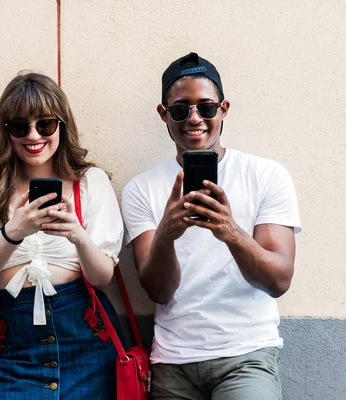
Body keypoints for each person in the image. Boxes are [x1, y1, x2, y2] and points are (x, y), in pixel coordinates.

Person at [122, 52, 301, 399]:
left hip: (246, 356)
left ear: (224, 109)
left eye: (206, 107)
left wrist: (230, 232)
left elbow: (279, 280)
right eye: (180, 109)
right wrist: (166, 236)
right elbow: (159, 291)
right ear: (164, 114)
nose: (194, 119)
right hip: (173, 362)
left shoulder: (266, 176)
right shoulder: (140, 189)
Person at [0, 72, 124, 399]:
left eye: (45, 124)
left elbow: (103, 277)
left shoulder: (89, 181)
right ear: (6, 131)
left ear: (62, 125)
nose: (33, 135)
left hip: (84, 335)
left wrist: (78, 235)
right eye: (20, 126)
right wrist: (15, 230)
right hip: (12, 342)